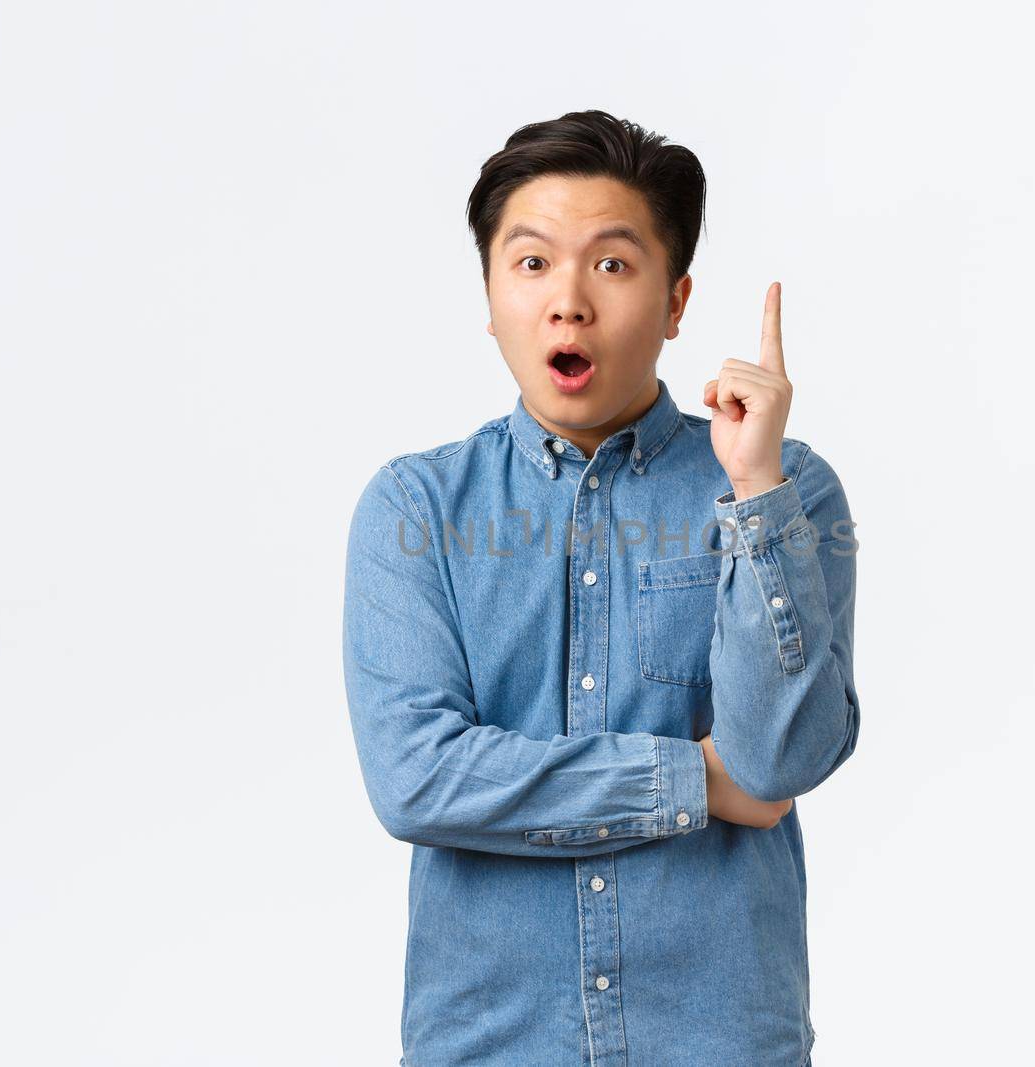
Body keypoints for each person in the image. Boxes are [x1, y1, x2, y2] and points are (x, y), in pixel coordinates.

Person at [341, 108, 859, 1066]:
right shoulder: (415, 508)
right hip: (487, 1043)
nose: (568, 301)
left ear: (675, 302)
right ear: (491, 298)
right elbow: (417, 778)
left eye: (612, 264)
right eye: (531, 263)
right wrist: (695, 779)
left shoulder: (785, 491)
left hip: (719, 1040)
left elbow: (782, 761)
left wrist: (754, 492)